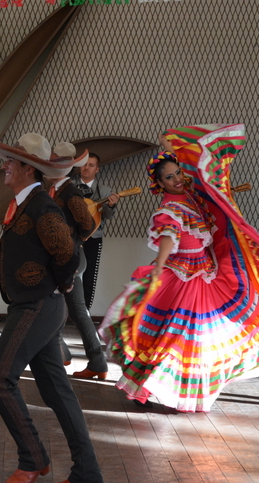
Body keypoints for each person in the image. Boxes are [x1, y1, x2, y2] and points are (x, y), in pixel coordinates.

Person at [0, 132, 103, 483]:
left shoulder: (41, 207)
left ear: (28, 170)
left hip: (37, 305)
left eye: (10, 162)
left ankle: (33, 458)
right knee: (58, 392)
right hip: (35, 305)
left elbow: (71, 256)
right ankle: (87, 474)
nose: (4, 166)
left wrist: (59, 286)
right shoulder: (28, 203)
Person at [99, 124, 259, 412]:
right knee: (175, 336)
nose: (176, 180)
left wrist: (171, 145)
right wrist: (159, 266)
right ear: (160, 184)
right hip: (181, 275)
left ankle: (173, 391)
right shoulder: (170, 207)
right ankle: (149, 388)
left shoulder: (193, 198)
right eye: (169, 177)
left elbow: (199, 171)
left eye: (178, 174)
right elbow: (169, 236)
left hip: (203, 273)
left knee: (195, 338)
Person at [47, 142, 109, 380]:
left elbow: (88, 225)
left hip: (69, 259)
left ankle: (74, 356)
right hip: (67, 258)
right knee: (73, 310)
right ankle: (93, 361)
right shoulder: (57, 190)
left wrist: (71, 244)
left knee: (60, 308)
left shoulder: (70, 192)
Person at [72, 153, 120, 310]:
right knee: (66, 272)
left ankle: (84, 311)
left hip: (94, 237)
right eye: (85, 164)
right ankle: (64, 312)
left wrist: (111, 206)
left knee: (89, 276)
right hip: (70, 236)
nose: (87, 168)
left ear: (97, 169)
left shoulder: (105, 191)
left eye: (91, 165)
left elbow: (107, 216)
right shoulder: (69, 186)